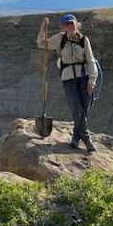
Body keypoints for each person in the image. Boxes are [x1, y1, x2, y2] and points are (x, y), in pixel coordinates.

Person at [37, 14, 98, 152]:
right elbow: (42, 43)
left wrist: (92, 81)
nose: (71, 26)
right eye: (67, 24)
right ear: (64, 27)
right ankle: (87, 139)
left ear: (77, 24)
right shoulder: (60, 38)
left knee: (83, 110)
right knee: (77, 109)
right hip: (69, 78)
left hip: (84, 77)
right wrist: (43, 28)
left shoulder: (84, 40)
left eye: (72, 23)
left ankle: (75, 138)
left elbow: (91, 60)